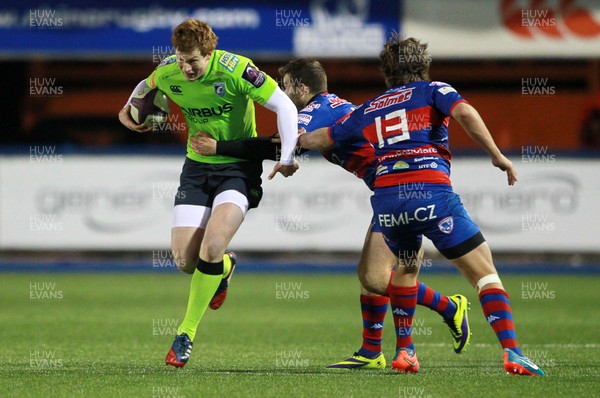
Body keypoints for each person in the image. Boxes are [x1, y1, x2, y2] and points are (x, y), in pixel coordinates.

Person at [191, 58, 471, 370]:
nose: (281, 95)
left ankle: (449, 307)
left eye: (285, 88)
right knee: (370, 274)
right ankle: (371, 352)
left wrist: (219, 147)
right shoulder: (331, 106)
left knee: (375, 277)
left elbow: (280, 145)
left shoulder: (315, 110)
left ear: (301, 87)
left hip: (399, 188)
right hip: (395, 186)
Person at [298, 36, 545, 376]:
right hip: (431, 195)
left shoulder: (370, 106)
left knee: (406, 269)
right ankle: (513, 353)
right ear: (424, 66)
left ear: (386, 73)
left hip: (389, 205)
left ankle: (406, 352)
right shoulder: (434, 90)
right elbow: (465, 112)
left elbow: (323, 137)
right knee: (485, 275)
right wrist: (497, 155)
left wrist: (288, 149)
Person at [118, 18, 299, 368]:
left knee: (211, 246)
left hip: (237, 168)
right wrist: (128, 111)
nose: (185, 68)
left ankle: (185, 334)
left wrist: (288, 155)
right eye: (180, 59)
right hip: (197, 167)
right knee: (186, 261)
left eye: (193, 61)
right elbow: (145, 85)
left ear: (210, 52)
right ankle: (226, 267)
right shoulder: (169, 71)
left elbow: (284, 106)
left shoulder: (237, 70)